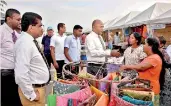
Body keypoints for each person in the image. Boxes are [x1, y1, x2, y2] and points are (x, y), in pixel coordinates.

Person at [14, 12, 50, 106]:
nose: (42, 29)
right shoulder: (25, 44)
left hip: (37, 89)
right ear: (31, 27)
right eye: (39, 26)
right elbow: (21, 74)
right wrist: (32, 95)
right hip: (33, 91)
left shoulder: (30, 41)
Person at [120, 38, 165, 106]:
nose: (143, 45)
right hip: (145, 88)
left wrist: (127, 66)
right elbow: (140, 68)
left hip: (151, 90)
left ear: (150, 46)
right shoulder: (149, 57)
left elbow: (141, 67)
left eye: (145, 44)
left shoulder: (154, 57)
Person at [0, 8, 22, 106]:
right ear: (9, 19)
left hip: (15, 74)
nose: (20, 22)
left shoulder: (16, 34)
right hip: (4, 75)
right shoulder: (1, 32)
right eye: (18, 19)